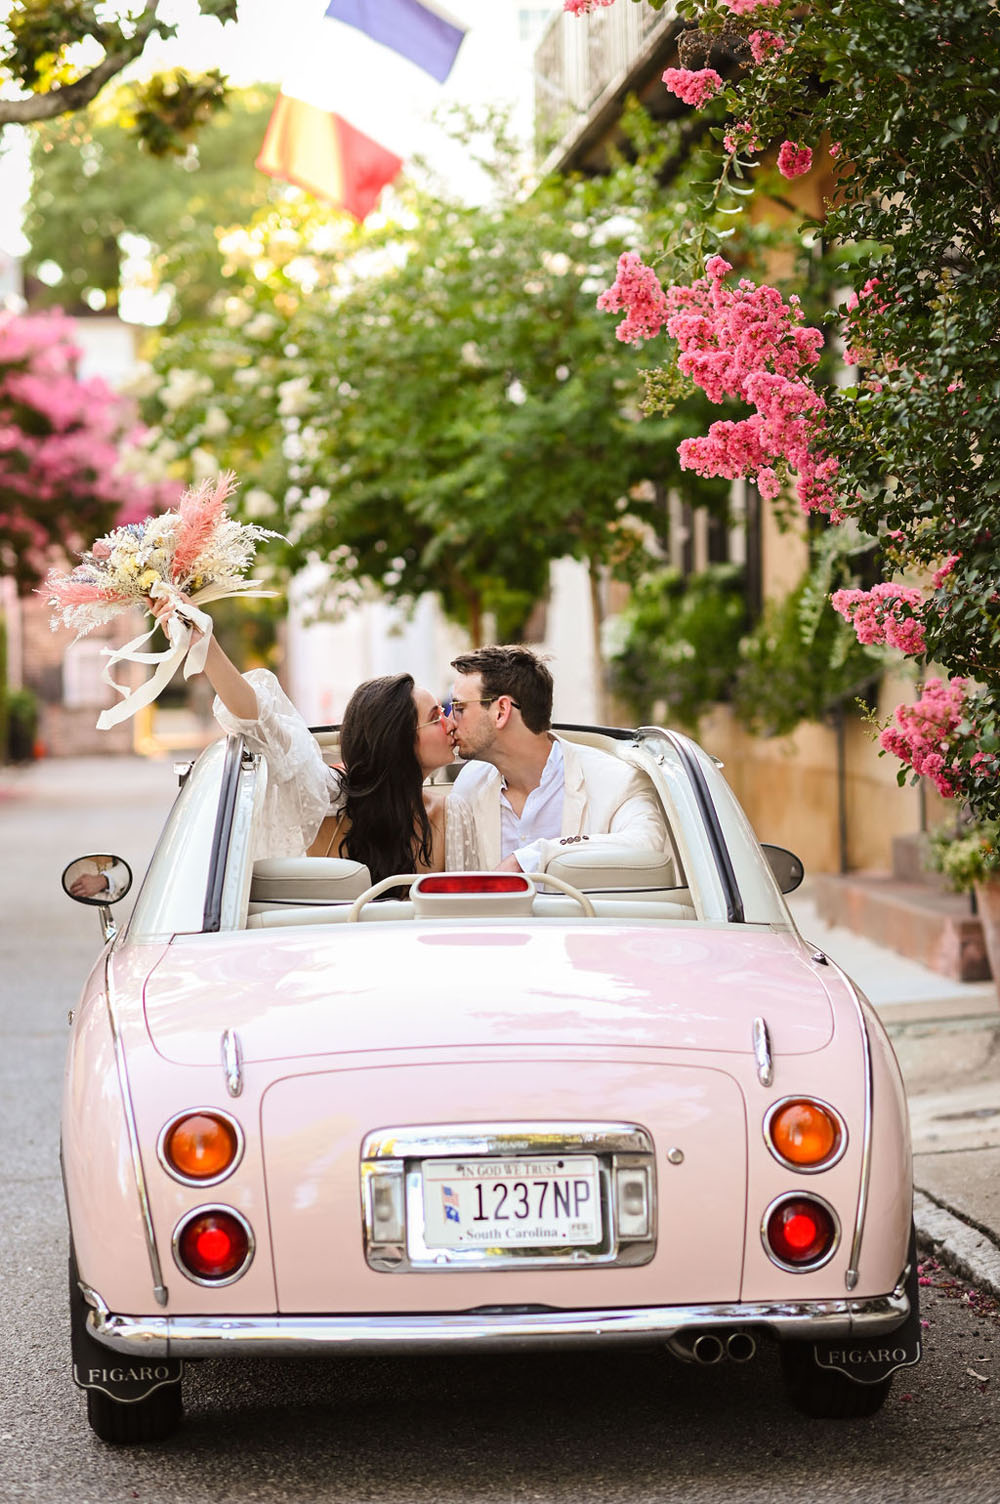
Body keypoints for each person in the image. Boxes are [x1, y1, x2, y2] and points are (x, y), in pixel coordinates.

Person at [148, 596, 455, 883]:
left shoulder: (449, 812)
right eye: (434, 715)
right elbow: (259, 724)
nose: (449, 722)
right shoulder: (330, 796)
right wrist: (205, 644)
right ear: (397, 739)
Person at [444, 645, 668, 873]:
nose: (450, 722)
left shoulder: (617, 780)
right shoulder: (470, 784)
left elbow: (646, 845)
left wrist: (533, 857)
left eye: (459, 708)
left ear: (501, 711)